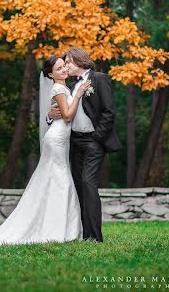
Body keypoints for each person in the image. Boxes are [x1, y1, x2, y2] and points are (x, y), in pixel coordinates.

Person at [0, 55, 92, 246]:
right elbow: (68, 116)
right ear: (50, 74)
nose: (63, 70)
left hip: (60, 138)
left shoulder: (63, 87)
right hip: (57, 140)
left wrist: (55, 111)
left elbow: (62, 113)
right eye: (59, 68)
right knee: (60, 180)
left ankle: (61, 228)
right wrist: (78, 95)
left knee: (55, 180)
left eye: (64, 66)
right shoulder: (59, 88)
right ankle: (59, 230)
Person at [47, 47, 123, 243]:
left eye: (68, 63)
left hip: (93, 141)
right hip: (74, 142)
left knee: (89, 184)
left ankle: (95, 237)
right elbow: (65, 114)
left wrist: (97, 138)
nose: (66, 66)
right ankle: (82, 234)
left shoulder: (99, 78)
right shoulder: (71, 87)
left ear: (79, 61)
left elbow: (109, 112)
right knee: (79, 186)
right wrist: (50, 117)